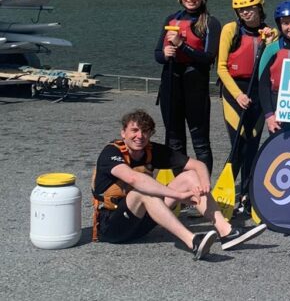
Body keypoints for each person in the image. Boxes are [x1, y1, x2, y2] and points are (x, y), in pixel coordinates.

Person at [91, 110, 266, 259]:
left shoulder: (151, 150)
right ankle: (193, 242)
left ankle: (226, 231)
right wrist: (180, 196)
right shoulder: (111, 153)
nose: (139, 136)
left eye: (145, 131)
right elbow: (134, 179)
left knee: (189, 176)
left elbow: (198, 166)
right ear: (123, 133)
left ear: (150, 134)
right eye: (134, 130)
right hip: (112, 227)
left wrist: (204, 185)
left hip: (141, 223)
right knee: (143, 192)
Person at [216, 0, 277, 216]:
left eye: (250, 8)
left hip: (259, 92)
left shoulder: (271, 33)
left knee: (252, 145)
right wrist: (237, 94)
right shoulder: (231, 30)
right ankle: (226, 194)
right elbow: (221, 67)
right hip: (235, 93)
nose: (246, 13)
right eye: (241, 10)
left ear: (260, 8)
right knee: (238, 145)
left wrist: (271, 42)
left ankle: (248, 195)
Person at [154, 0, 222, 173]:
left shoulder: (210, 23)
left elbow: (208, 58)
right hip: (171, 84)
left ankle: (203, 189)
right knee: (174, 140)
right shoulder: (171, 19)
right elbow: (157, 54)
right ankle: (180, 188)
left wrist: (181, 45)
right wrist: (165, 54)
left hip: (195, 86)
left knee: (200, 142)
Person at [258, 1, 290, 134]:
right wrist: (269, 115)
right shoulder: (272, 49)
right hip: (277, 104)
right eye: (286, 23)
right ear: (280, 25)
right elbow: (263, 85)